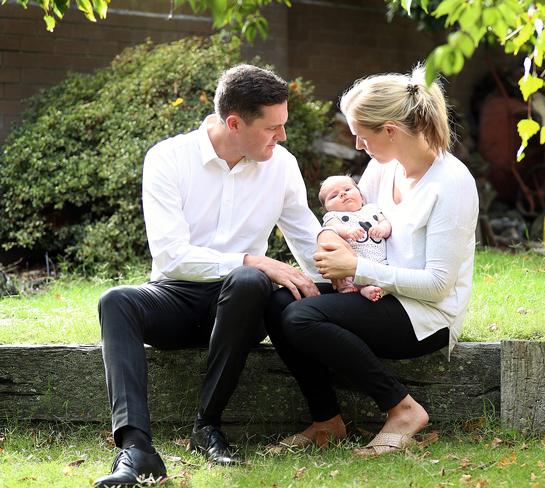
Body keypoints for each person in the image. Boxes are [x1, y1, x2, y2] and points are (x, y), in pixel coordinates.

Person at [94, 64, 323, 487]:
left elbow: (308, 240)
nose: (283, 137)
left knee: (250, 282)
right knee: (116, 300)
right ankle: (136, 450)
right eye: (273, 128)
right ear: (234, 123)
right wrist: (251, 260)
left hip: (243, 307)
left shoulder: (282, 165)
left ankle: (207, 426)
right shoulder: (168, 158)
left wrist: (352, 277)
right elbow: (172, 256)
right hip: (177, 299)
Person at [265, 66, 479, 455]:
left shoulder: (452, 183)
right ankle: (326, 421)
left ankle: (402, 410)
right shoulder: (383, 168)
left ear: (390, 131)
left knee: (301, 317)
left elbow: (438, 285)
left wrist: (357, 268)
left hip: (424, 314)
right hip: (373, 292)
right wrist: (330, 243)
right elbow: (349, 223)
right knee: (281, 299)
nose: (359, 146)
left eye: (361, 136)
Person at [318, 174, 391, 301]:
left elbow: (385, 222)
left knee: (383, 274)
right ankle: (358, 289)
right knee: (348, 277)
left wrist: (382, 229)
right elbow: (334, 228)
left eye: (347, 189)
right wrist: (348, 231)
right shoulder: (333, 216)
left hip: (379, 261)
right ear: (326, 209)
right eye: (333, 196)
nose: (342, 194)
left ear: (361, 196)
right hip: (353, 264)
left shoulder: (372, 209)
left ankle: (370, 290)